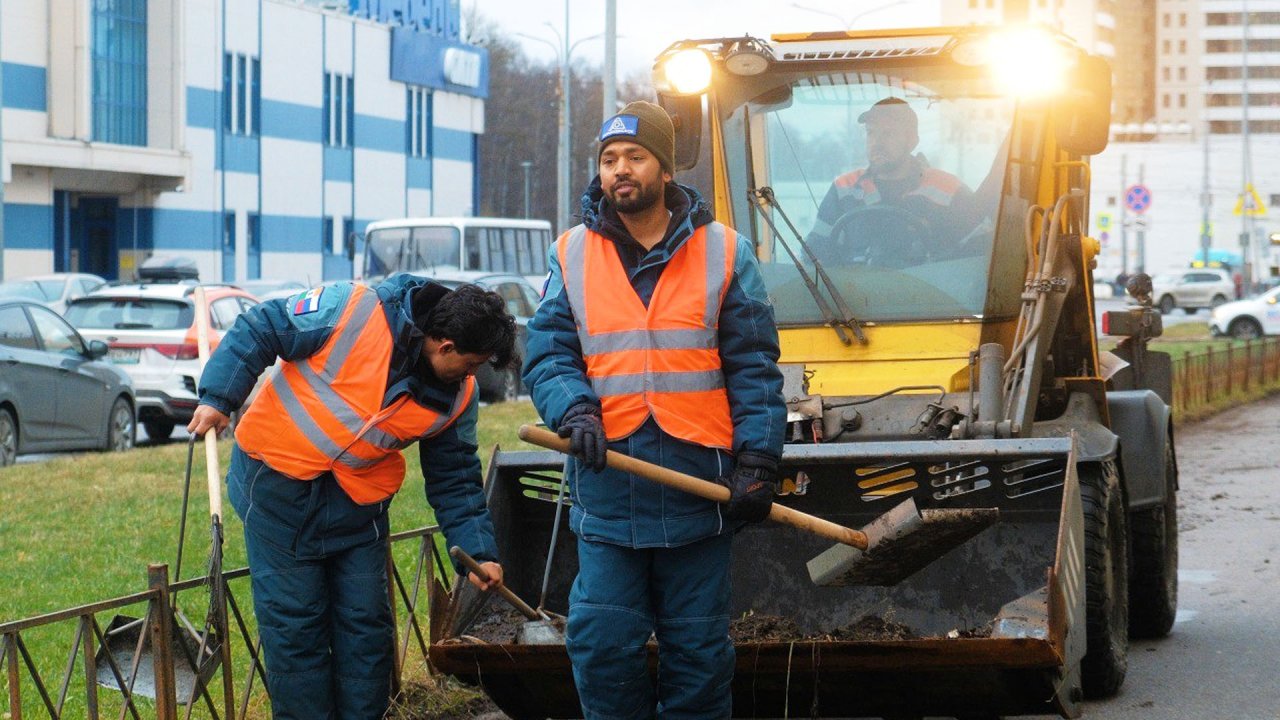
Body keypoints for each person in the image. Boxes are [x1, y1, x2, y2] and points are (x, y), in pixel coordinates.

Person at [523, 100, 786, 719]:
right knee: (601, 647)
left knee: (697, 653)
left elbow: (753, 364)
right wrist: (574, 412)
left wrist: (758, 458)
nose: (620, 170)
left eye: (635, 157)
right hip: (610, 483)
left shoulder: (724, 250)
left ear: (665, 169)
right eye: (609, 159)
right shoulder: (572, 253)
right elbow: (548, 352)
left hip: (699, 484)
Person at [187, 275, 516, 719]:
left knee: (366, 632)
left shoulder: (458, 397)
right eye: (471, 364)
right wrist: (218, 397)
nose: (473, 376)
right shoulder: (351, 309)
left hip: (358, 509)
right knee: (295, 631)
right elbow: (262, 326)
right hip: (277, 491)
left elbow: (455, 478)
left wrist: (479, 551)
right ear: (445, 346)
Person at [807, 96, 982, 265]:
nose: (876, 142)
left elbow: (980, 253)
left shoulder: (949, 189)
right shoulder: (843, 189)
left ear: (912, 141)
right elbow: (814, 255)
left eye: (888, 133)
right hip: (851, 294)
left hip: (924, 294)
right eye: (871, 133)